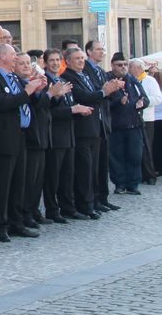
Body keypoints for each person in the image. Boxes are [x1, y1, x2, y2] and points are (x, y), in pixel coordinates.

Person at [0, 43, 46, 242]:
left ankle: (16, 222)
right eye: (13, 55)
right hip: (3, 138)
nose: (16, 59)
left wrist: (35, 91)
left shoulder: (14, 78)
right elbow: (2, 104)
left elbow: (24, 102)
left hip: (21, 135)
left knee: (19, 182)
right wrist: (27, 91)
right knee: (3, 184)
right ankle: (0, 225)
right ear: (2, 57)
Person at [61, 47, 122, 218]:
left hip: (96, 127)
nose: (81, 61)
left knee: (96, 168)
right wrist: (104, 91)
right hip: (82, 129)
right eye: (77, 58)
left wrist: (107, 90)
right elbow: (85, 96)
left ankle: (96, 200)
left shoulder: (85, 75)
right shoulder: (68, 77)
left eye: (82, 58)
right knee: (84, 169)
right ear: (68, 61)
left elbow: (97, 93)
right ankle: (84, 204)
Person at [42, 48, 85, 223]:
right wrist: (71, 110)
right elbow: (48, 111)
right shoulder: (45, 83)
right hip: (54, 134)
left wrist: (77, 109)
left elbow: (70, 103)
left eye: (57, 60)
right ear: (45, 63)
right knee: (53, 175)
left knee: (67, 173)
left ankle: (68, 206)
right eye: (51, 60)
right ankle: (52, 209)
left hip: (68, 133)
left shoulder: (62, 80)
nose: (54, 63)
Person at [17, 52, 54, 228]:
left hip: (39, 133)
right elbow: (33, 105)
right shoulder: (19, 84)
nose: (26, 66)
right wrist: (50, 94)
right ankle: (26, 214)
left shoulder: (30, 83)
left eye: (28, 63)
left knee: (37, 178)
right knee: (29, 179)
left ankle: (33, 211)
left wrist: (43, 92)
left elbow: (41, 104)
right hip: (28, 135)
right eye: (22, 63)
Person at [106, 52, 146, 195]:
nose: (123, 67)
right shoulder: (108, 79)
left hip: (134, 124)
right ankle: (119, 184)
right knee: (117, 156)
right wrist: (118, 101)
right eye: (119, 65)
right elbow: (104, 102)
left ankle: (133, 184)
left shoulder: (132, 79)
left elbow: (145, 98)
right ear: (112, 66)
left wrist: (142, 103)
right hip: (116, 125)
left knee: (135, 155)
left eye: (124, 64)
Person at [130, 59, 162, 184]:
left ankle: (149, 174)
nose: (129, 69)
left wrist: (144, 102)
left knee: (146, 147)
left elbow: (158, 98)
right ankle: (139, 174)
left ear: (138, 68)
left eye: (130, 67)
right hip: (133, 118)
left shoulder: (150, 80)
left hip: (147, 118)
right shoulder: (130, 80)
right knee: (136, 148)